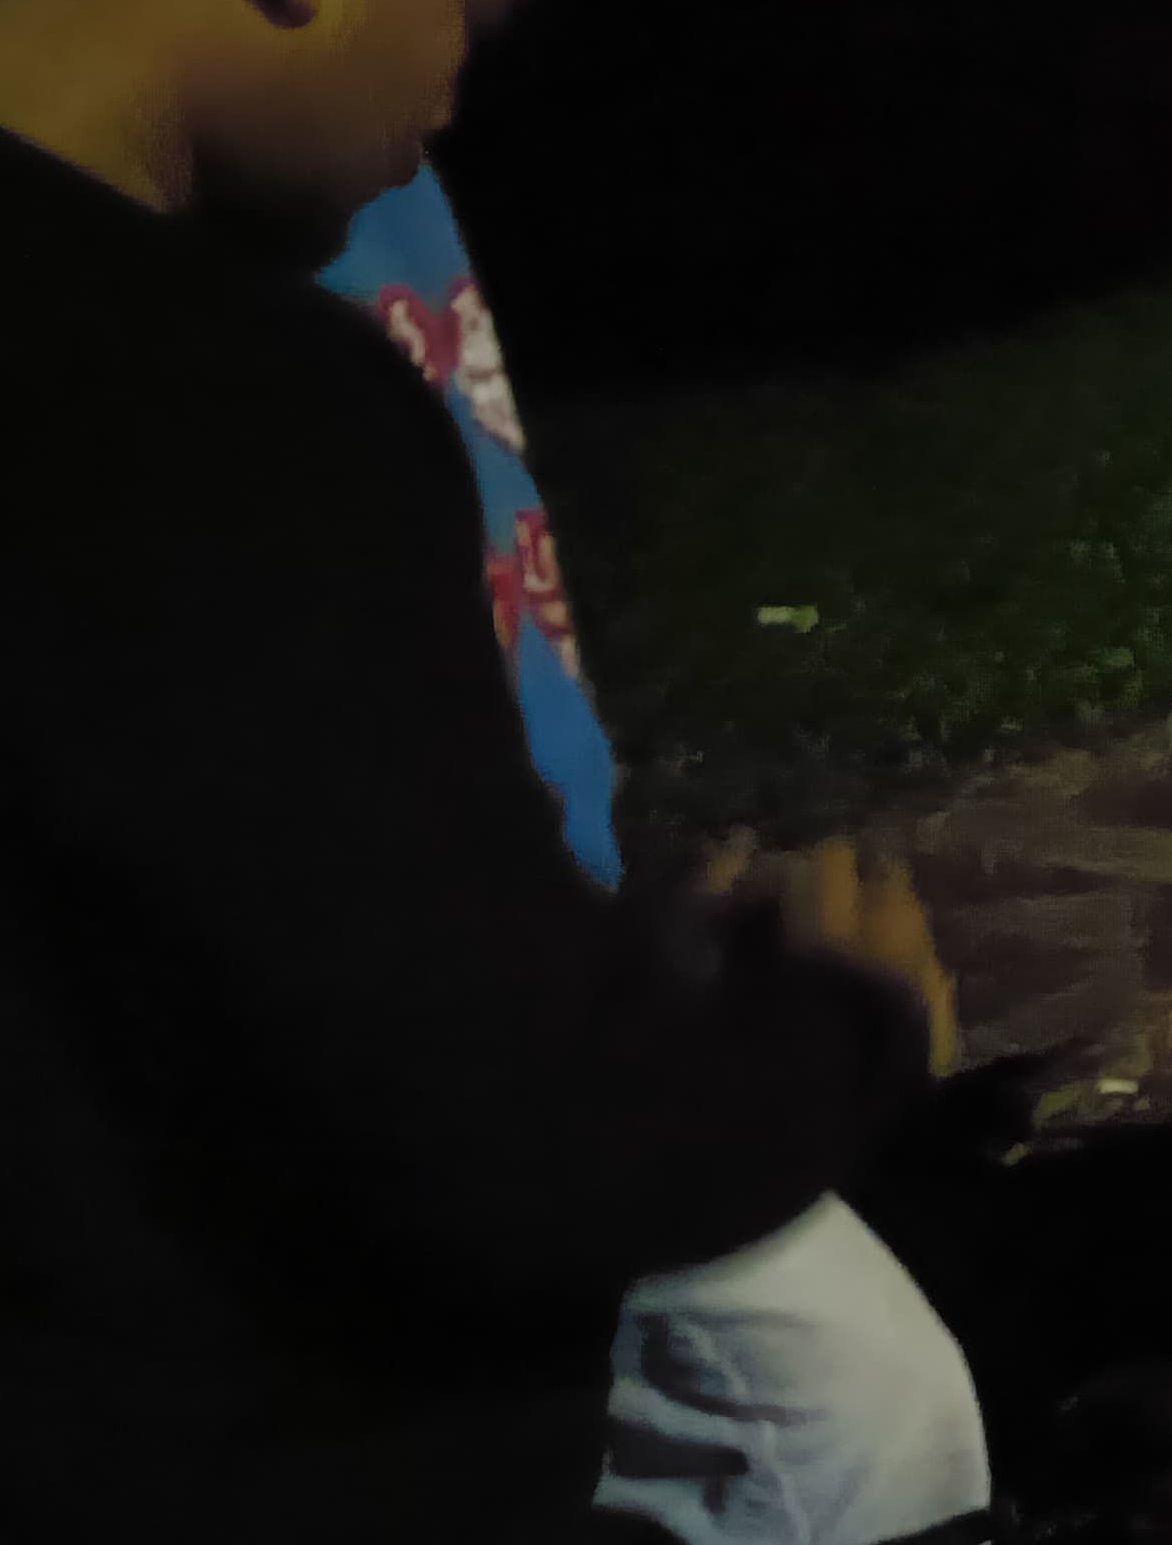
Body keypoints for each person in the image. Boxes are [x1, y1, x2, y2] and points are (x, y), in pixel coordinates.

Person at [0, 0, 961, 1539]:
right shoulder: (195, 405)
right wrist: (840, 1031)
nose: (449, 115)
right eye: (473, 21)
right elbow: (500, 1145)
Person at [320, 169, 993, 1543]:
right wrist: (835, 1044)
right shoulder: (152, 318)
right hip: (425, 1029)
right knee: (846, 1405)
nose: (450, 104)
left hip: (533, 933)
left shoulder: (341, 180)